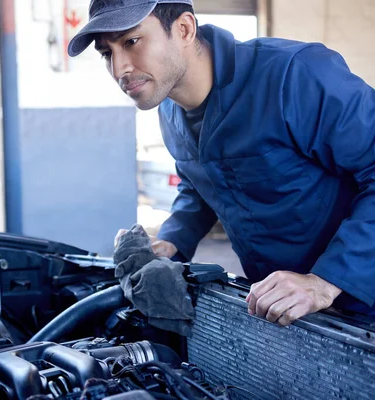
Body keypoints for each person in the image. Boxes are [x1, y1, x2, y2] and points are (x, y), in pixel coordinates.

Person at [67, 0, 375, 326]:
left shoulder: (294, 76)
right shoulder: (170, 111)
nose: (119, 69)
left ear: (184, 29)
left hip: (359, 300)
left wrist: (324, 282)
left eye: (131, 41)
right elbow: (201, 187)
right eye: (106, 53)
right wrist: (172, 241)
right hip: (285, 311)